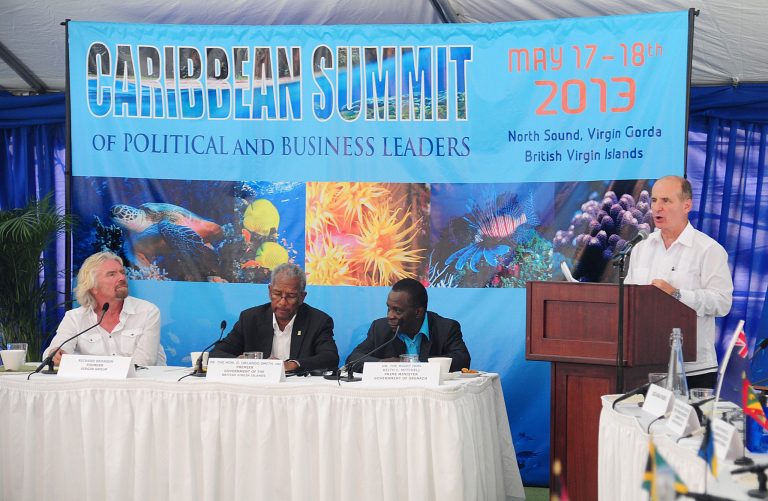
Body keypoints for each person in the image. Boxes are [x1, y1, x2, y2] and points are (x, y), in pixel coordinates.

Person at [625, 175, 733, 388]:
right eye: (654, 200)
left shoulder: (708, 250)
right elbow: (629, 299)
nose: (657, 208)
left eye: (666, 201)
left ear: (687, 205)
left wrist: (676, 294)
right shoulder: (640, 248)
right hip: (645, 365)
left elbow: (722, 303)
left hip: (693, 369)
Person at [210, 263, 339, 372]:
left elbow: (330, 358)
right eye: (277, 294)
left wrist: (292, 364)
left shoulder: (318, 321)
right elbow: (216, 354)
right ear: (270, 291)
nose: (282, 302)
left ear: (302, 297)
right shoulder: (250, 318)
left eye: (291, 296)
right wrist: (239, 362)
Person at [44, 252, 164, 366]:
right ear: (92, 286)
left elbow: (145, 362)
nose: (122, 277)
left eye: (122, 272)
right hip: (92, 386)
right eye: (112, 274)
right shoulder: (75, 317)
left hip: (141, 385)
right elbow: (52, 354)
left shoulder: (147, 312)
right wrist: (56, 354)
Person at [345, 278, 470, 373]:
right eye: (389, 308)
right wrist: (383, 364)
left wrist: (414, 366)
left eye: (397, 310)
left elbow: (462, 360)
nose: (390, 315)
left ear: (418, 312)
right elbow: (353, 359)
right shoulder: (380, 328)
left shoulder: (446, 328)